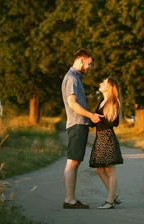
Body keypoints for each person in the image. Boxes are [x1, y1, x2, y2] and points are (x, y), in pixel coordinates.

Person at [61, 48, 102, 209]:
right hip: (77, 124)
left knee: (74, 162)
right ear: (81, 59)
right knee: (72, 162)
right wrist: (91, 115)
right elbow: (72, 104)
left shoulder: (75, 78)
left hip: (79, 124)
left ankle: (70, 199)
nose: (89, 68)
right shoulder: (71, 78)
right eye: (89, 64)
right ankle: (69, 200)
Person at [89, 77, 124, 209]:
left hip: (108, 139)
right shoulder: (102, 102)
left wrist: (99, 119)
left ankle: (110, 201)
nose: (100, 83)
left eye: (103, 82)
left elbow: (113, 123)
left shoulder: (113, 102)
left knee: (110, 172)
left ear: (109, 87)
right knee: (99, 170)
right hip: (99, 139)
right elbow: (94, 121)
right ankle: (114, 196)